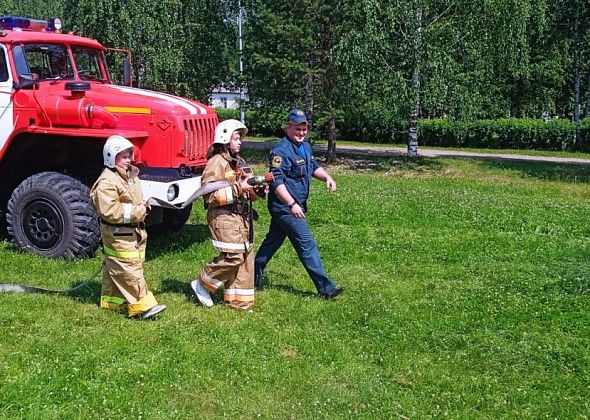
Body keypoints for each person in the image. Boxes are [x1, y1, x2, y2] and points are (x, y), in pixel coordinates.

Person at [254, 108, 344, 299]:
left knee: (272, 242)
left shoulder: (305, 146)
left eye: (304, 129)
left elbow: (314, 167)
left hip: (295, 205)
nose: (302, 133)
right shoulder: (280, 151)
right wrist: (292, 204)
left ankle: (252, 274)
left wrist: (327, 177)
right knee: (307, 244)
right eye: (297, 129)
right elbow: (276, 181)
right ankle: (326, 289)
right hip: (285, 208)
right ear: (289, 127)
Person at [90, 135, 166, 319]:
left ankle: (112, 302)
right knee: (128, 268)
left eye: (129, 155)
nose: (129, 160)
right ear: (111, 157)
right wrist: (139, 211)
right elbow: (110, 211)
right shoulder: (107, 182)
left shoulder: (129, 177)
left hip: (132, 231)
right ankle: (143, 305)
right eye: (123, 156)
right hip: (118, 234)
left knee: (118, 267)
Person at [191, 119, 263, 311]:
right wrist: (240, 187)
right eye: (236, 138)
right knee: (233, 257)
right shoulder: (216, 163)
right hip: (223, 218)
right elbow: (210, 196)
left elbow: (250, 193)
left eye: (240, 138)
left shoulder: (240, 163)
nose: (240, 142)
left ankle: (239, 302)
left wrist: (259, 189)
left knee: (246, 258)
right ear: (224, 139)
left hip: (241, 219)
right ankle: (202, 283)